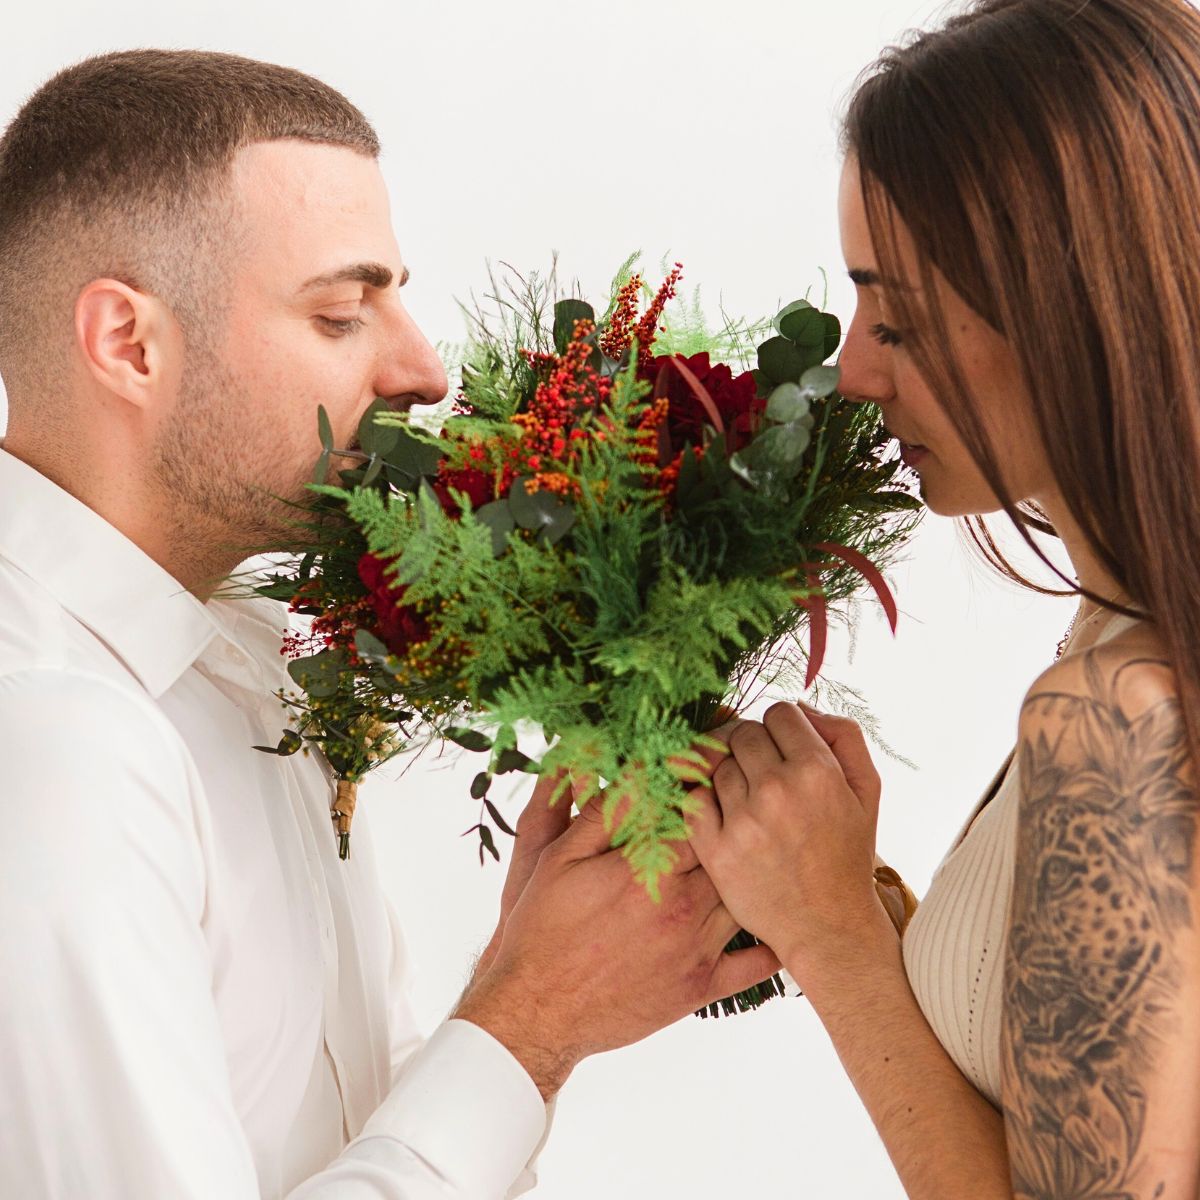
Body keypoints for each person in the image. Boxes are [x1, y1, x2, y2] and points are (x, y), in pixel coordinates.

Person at [0, 50, 780, 1199]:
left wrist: (526, 977)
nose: (421, 367)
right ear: (129, 343)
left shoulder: (258, 657)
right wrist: (530, 1025)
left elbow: (335, 1132)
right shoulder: (55, 740)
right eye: (339, 313)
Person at [688, 0, 1200, 1196]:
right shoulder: (1129, 634)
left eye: (898, 316)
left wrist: (837, 944)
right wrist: (833, 889)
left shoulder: (1121, 711)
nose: (855, 370)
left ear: (1077, 305)